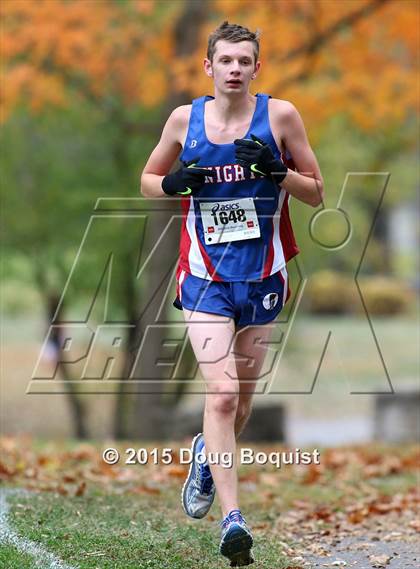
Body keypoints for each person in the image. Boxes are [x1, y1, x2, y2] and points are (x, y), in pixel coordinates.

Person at [140, 21, 324, 567]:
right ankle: (232, 519)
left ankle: (204, 457)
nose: (236, 69)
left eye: (245, 61)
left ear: (256, 67)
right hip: (204, 280)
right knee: (220, 395)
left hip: (263, 278)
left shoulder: (281, 116)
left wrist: (278, 171)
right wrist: (173, 184)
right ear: (209, 67)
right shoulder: (184, 120)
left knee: (240, 401)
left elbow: (316, 193)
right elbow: (148, 180)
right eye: (226, 61)